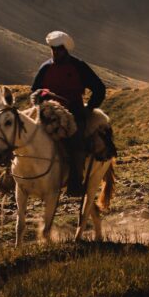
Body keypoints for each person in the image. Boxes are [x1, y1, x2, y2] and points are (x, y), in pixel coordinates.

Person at [31, 31, 106, 196]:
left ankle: (75, 184)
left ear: (66, 49)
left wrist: (88, 109)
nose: (56, 52)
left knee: (76, 142)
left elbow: (99, 88)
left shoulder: (79, 66)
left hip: (74, 114)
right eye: (53, 49)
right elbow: (35, 90)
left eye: (59, 49)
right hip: (48, 114)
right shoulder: (45, 67)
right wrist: (42, 98)